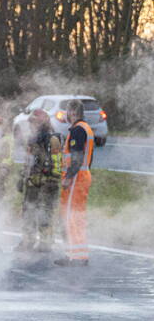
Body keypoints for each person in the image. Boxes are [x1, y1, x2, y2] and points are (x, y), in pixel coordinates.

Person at [56, 99, 95, 266]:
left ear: (72, 112)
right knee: (75, 216)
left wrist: (68, 177)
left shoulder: (78, 130)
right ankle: (76, 254)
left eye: (67, 111)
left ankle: (76, 256)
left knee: (72, 216)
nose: (65, 115)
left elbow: (77, 157)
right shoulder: (85, 128)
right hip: (81, 177)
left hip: (76, 179)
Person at [17, 109, 62, 252]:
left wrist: (53, 182)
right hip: (32, 183)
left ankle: (45, 243)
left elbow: (57, 163)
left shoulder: (52, 139)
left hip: (47, 183)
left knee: (45, 213)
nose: (31, 125)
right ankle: (27, 241)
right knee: (28, 212)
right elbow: (28, 160)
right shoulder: (32, 139)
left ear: (42, 123)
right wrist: (22, 177)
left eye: (34, 122)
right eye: (31, 122)